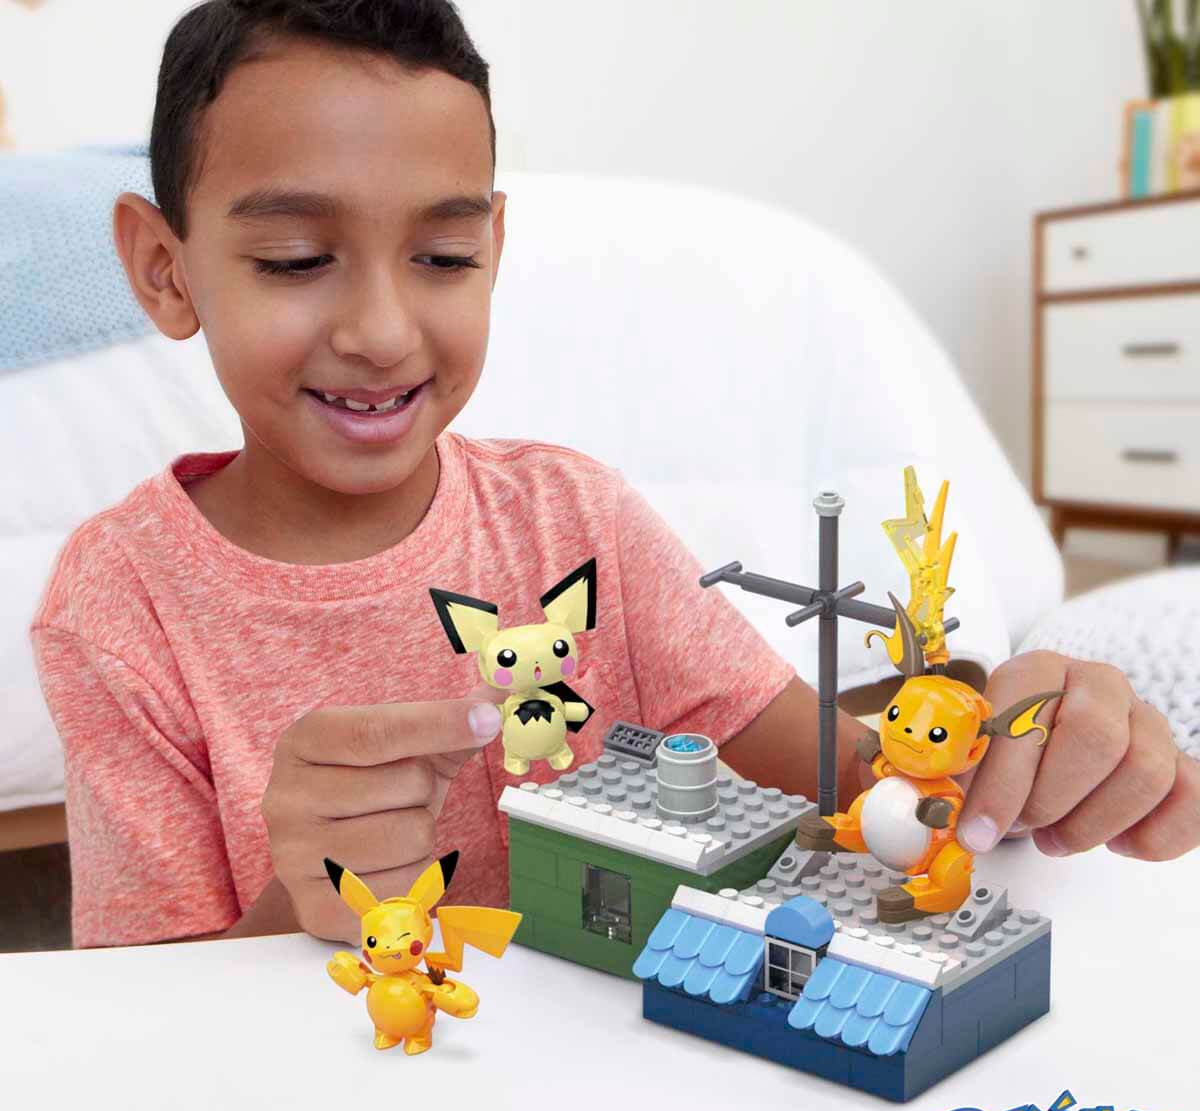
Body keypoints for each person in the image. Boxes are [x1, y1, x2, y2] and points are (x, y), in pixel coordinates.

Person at [30, 0, 1198, 950]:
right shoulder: (120, 599)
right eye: (295, 259)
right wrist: (308, 902)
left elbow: (851, 775)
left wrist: (1010, 747)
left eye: (443, 255)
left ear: (493, 247)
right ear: (164, 270)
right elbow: (144, 1027)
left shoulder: (574, 520)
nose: (381, 331)